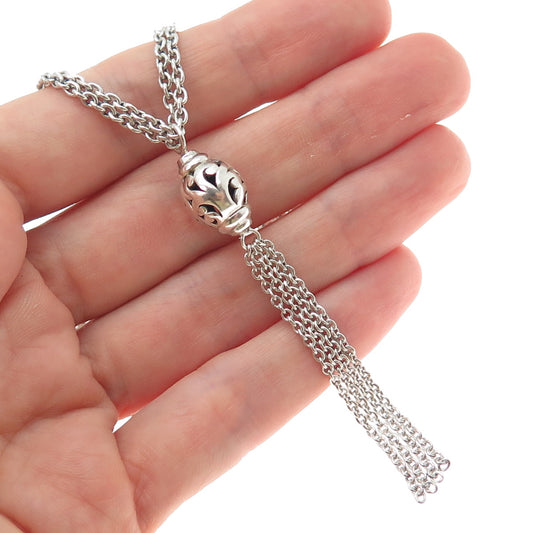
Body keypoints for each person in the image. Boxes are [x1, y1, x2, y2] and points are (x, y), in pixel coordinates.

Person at [0, 0, 470, 530]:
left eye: (214, 184)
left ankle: (413, 454)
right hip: (245, 237)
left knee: (331, 344)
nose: (210, 187)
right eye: (205, 191)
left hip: (248, 235)